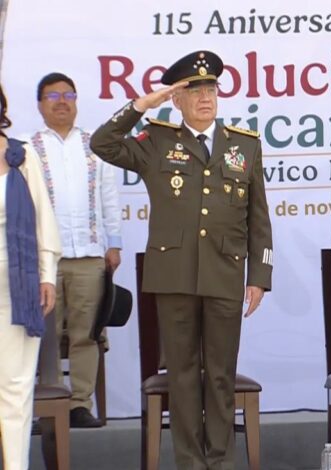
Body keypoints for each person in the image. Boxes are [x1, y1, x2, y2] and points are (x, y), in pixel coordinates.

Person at [90, 51, 273, 470]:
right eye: (195, 91)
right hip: (173, 276)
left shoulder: (244, 146)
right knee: (184, 377)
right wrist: (141, 105)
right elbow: (102, 143)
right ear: (178, 100)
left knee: (221, 374)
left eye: (211, 90)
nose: (205, 98)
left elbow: (258, 217)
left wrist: (259, 275)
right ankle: (190, 463)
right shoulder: (156, 140)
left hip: (225, 273)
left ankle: (221, 461)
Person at [22, 72, 123, 428]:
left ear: (77, 101)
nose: (62, 101)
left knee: (86, 335)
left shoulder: (96, 146)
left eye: (68, 94)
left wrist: (114, 245)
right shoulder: (27, 148)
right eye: (53, 96)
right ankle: (48, 406)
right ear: (40, 104)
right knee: (44, 337)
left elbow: (110, 199)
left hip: (89, 258)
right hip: (44, 260)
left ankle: (80, 404)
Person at [0, 83, 61, 470]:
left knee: (16, 389)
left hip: (15, 285)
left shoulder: (21, 156)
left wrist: (47, 274)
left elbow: (43, 221)